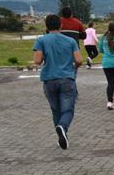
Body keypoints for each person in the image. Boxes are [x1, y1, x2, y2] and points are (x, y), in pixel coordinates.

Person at [33, 14, 83, 149]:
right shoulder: (70, 41)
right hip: (67, 78)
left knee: (56, 110)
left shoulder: (41, 40)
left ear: (46, 26)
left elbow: (37, 61)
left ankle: (61, 135)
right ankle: (63, 128)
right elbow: (79, 60)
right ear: (60, 25)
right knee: (68, 110)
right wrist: (73, 68)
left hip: (49, 79)